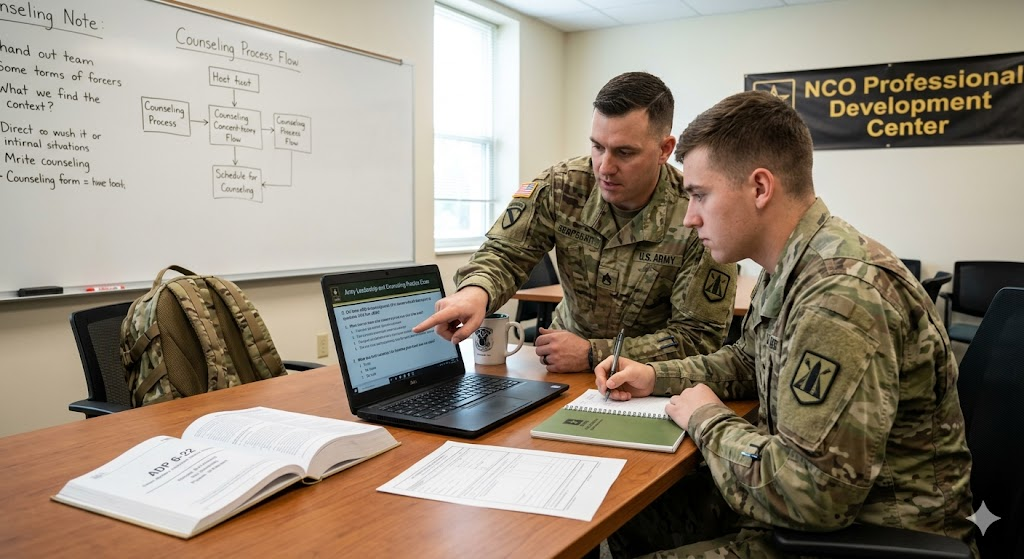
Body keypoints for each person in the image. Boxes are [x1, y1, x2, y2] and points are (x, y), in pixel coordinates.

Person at [596, 90, 976, 557]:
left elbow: (813, 495)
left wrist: (706, 419)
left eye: (699, 195)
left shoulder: (838, 297)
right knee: (625, 510)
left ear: (759, 188)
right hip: (812, 517)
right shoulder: (794, 264)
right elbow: (748, 359)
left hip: (865, 537)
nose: (689, 218)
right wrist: (656, 376)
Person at [414, 72, 737, 373]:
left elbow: (698, 337)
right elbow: (507, 252)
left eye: (624, 153)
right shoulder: (564, 185)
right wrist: (476, 291)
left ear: (665, 149)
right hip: (559, 361)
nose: (605, 167)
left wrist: (594, 353)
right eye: (598, 147)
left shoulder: (696, 213)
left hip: (651, 378)